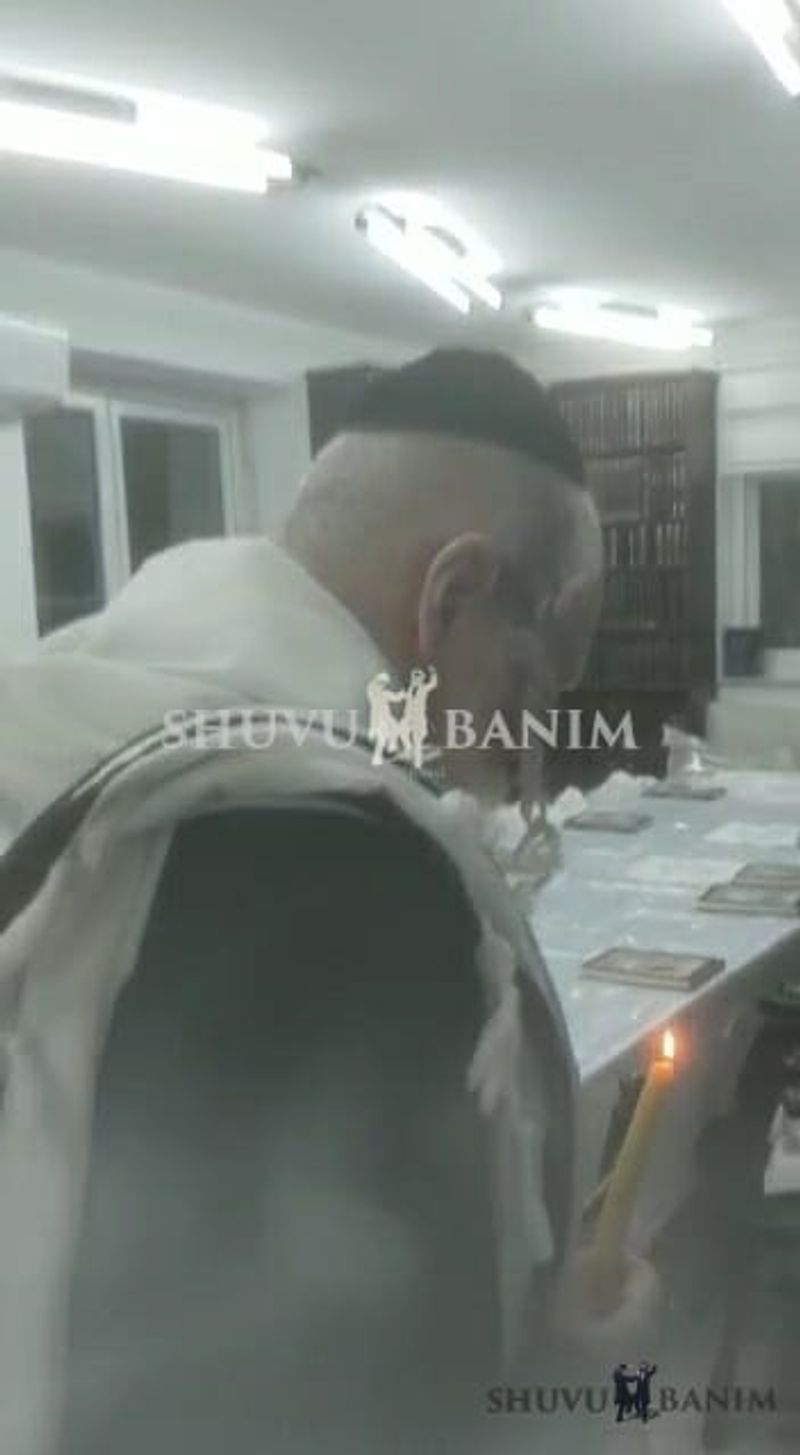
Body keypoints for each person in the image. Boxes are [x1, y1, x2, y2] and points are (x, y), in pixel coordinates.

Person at [0, 349, 653, 1455]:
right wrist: (596, 1385)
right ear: (450, 596)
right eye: (532, 681)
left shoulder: (64, 718)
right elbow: (361, 1401)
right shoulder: (349, 873)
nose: (528, 740)